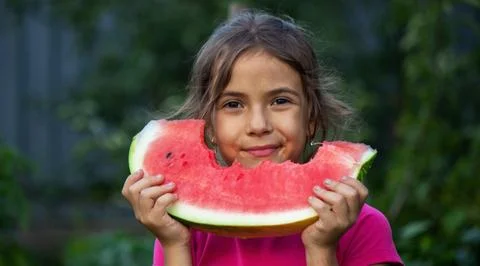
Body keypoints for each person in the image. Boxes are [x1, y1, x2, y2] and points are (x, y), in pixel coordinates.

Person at [122, 10, 403, 266]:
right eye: (233, 104)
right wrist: (175, 244)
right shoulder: (184, 229)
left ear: (311, 118)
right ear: (208, 127)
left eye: (280, 101)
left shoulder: (364, 227)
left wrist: (321, 248)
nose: (258, 125)